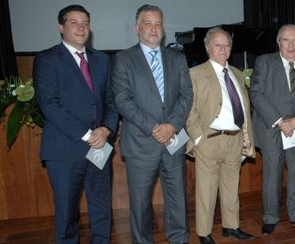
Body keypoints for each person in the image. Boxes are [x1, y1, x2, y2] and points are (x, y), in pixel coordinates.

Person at [33, 4, 118, 243]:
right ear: (61, 27)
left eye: (85, 23)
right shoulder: (47, 59)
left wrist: (106, 129)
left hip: (100, 146)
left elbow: (111, 100)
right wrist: (87, 133)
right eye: (74, 22)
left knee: (102, 209)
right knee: (67, 214)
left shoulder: (102, 59)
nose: (81, 28)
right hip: (64, 150)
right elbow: (49, 103)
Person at [111, 4, 192, 244]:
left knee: (178, 199)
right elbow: (122, 100)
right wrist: (156, 128)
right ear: (137, 28)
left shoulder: (177, 58)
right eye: (148, 23)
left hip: (174, 140)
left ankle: (179, 239)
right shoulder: (123, 59)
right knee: (140, 203)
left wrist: (172, 126)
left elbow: (187, 96)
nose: (154, 28)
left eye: (158, 23)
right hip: (141, 143)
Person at [186, 27, 256, 244]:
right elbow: (188, 109)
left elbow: (244, 108)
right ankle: (204, 233)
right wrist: (198, 138)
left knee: (231, 188)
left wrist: (245, 138)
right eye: (217, 45)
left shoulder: (236, 73)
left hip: (234, 140)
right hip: (209, 141)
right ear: (208, 48)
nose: (223, 49)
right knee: (206, 191)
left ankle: (231, 226)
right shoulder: (195, 73)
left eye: (226, 44)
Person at [250, 24, 295, 235]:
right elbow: (256, 94)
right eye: (286, 40)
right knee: (272, 175)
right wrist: (281, 121)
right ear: (278, 42)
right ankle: (270, 217)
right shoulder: (264, 62)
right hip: (272, 128)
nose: (291, 45)